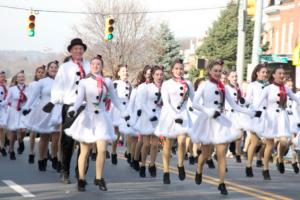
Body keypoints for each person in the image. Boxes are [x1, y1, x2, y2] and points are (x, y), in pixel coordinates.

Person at [190, 60, 258, 195]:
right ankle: (199, 169)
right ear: (209, 71)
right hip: (208, 122)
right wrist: (208, 111)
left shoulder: (224, 87)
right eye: (215, 70)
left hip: (221, 122)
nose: (217, 73)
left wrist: (249, 112)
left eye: (219, 71)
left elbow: (234, 105)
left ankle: (222, 183)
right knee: (205, 154)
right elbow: (195, 103)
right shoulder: (204, 85)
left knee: (221, 155)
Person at [65, 55, 125, 192]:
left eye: (98, 64)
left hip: (102, 117)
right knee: (85, 150)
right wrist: (73, 110)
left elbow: (115, 99)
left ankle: (99, 178)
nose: (96, 66)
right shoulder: (84, 82)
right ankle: (81, 178)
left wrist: (124, 111)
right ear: (90, 66)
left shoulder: (107, 82)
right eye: (93, 64)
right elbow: (79, 100)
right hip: (88, 116)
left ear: (102, 66)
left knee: (102, 149)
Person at [43, 38, 90, 183]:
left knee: (85, 140)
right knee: (68, 141)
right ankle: (65, 171)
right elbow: (58, 86)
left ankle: (81, 172)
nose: (78, 51)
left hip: (86, 106)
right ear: (70, 51)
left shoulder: (89, 65)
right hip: (70, 106)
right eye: (75, 49)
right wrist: (53, 101)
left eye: (80, 48)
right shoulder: (65, 67)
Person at [253, 66, 300, 180]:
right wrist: (254, 114)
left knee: (284, 141)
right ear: (274, 75)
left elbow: (296, 99)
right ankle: (266, 169)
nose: (282, 75)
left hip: (282, 117)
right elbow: (257, 103)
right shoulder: (268, 88)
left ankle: (280, 158)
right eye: (279, 73)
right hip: (270, 117)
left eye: (283, 73)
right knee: (269, 144)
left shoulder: (286, 88)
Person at [155, 59, 194, 184]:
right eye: (176, 68)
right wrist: (174, 116)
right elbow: (166, 102)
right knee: (167, 145)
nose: (179, 70)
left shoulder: (188, 83)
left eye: (181, 68)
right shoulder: (167, 84)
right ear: (172, 70)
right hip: (169, 116)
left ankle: (180, 164)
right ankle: (166, 171)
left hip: (183, 116)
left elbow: (195, 100)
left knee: (182, 142)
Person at [23, 61, 61, 171]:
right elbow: (33, 96)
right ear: (48, 69)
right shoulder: (42, 82)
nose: (54, 69)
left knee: (56, 137)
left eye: (56, 67)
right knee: (44, 137)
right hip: (44, 110)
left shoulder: (62, 81)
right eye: (51, 67)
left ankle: (54, 157)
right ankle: (41, 159)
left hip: (57, 110)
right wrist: (27, 107)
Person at [134, 66, 164, 177]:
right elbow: (142, 103)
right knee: (146, 144)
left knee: (155, 145)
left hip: (158, 118)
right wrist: (150, 114)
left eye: (161, 74)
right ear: (152, 75)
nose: (159, 77)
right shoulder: (146, 87)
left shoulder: (165, 87)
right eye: (157, 74)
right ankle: (142, 165)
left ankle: (152, 165)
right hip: (147, 117)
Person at [244, 64, 268, 177]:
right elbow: (248, 100)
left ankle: (264, 166)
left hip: (266, 117)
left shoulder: (269, 86)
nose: (265, 74)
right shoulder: (252, 85)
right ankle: (249, 166)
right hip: (255, 116)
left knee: (267, 142)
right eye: (263, 72)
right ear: (257, 73)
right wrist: (248, 109)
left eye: (266, 72)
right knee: (254, 143)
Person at [0, 71, 28, 160]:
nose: (21, 78)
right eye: (19, 77)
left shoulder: (28, 88)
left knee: (23, 130)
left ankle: (20, 141)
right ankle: (11, 149)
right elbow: (7, 100)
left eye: (23, 77)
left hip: (23, 112)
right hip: (14, 111)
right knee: (13, 132)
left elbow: (31, 100)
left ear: (24, 78)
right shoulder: (12, 89)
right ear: (16, 79)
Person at [109, 64, 132, 165]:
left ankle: (129, 151)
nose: (125, 73)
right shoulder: (115, 83)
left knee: (129, 132)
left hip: (127, 109)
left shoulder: (130, 85)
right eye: (123, 71)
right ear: (118, 73)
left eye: (126, 71)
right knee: (117, 132)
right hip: (117, 109)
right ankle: (114, 152)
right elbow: (111, 96)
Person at [25, 65, 46, 164]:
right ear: (36, 74)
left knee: (44, 134)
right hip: (34, 109)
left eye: (42, 72)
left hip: (44, 110)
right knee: (33, 133)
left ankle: (44, 153)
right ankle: (31, 152)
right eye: (39, 72)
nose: (41, 74)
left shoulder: (47, 83)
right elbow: (30, 97)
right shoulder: (32, 84)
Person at [0, 71, 8, 156]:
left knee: (1, 128)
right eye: (1, 76)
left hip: (3, 109)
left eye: (3, 77)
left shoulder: (6, 87)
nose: (2, 78)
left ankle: (2, 146)